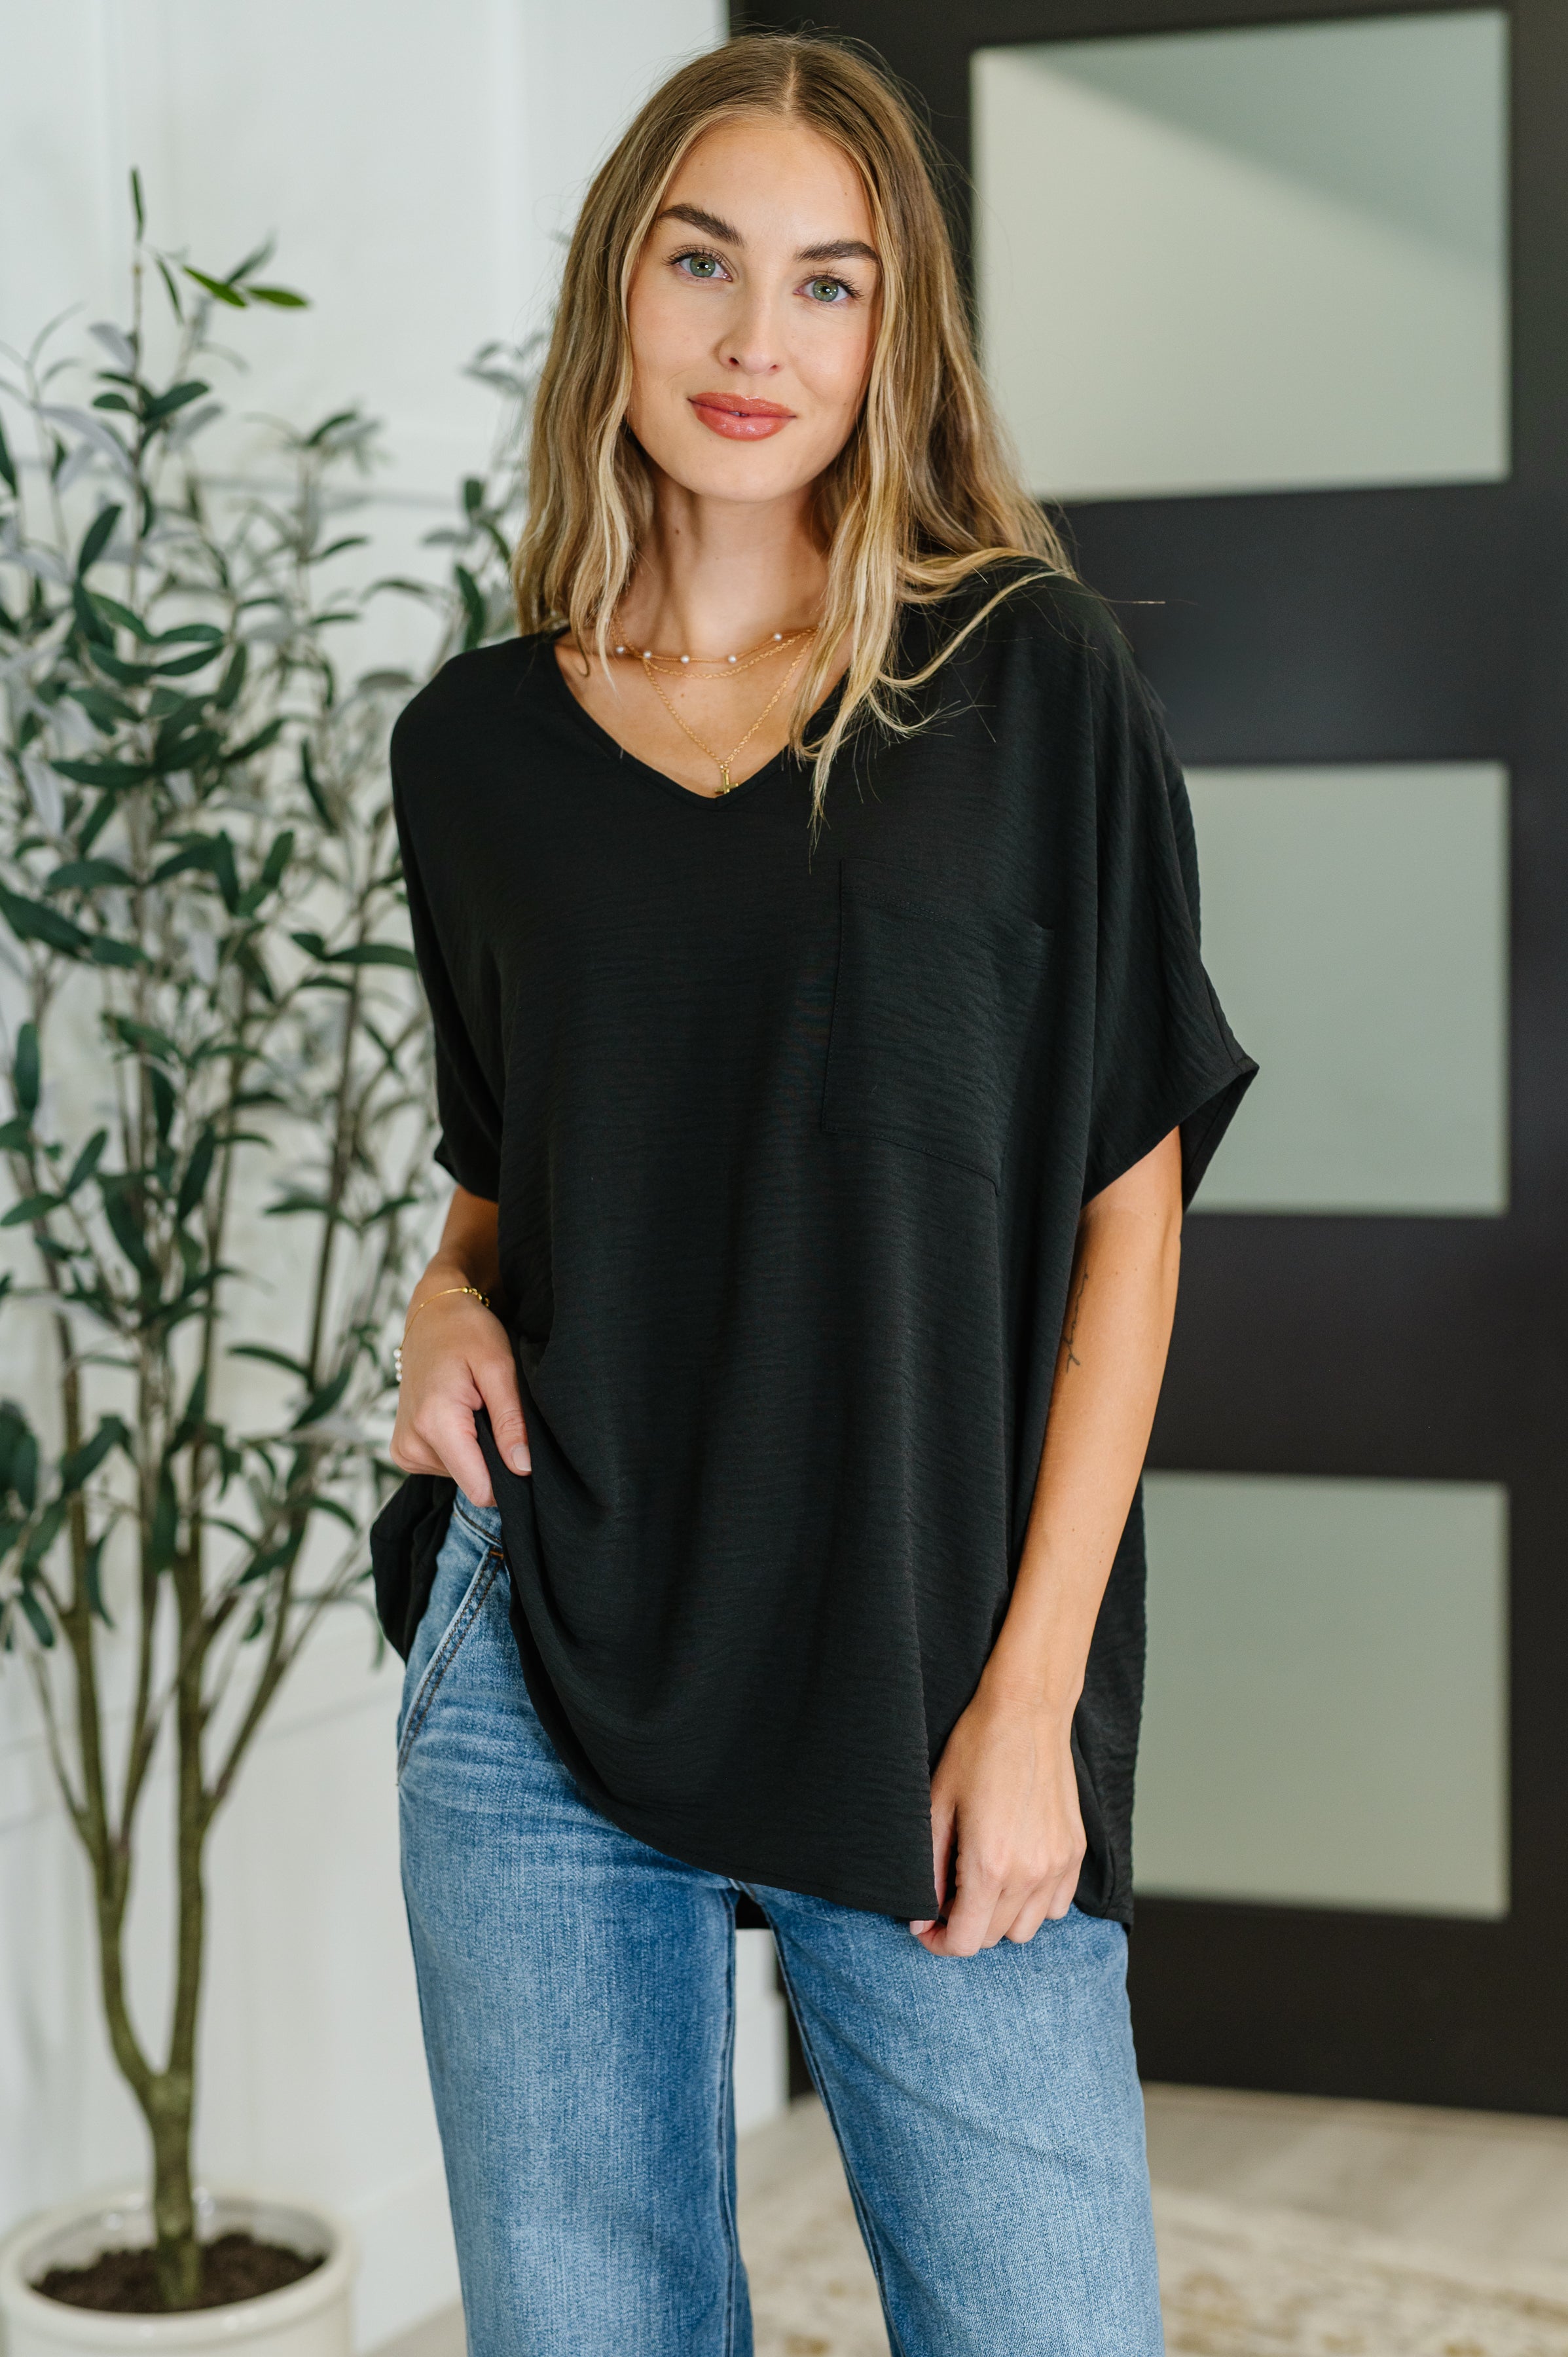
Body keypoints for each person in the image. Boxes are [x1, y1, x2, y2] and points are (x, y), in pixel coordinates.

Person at [378, 31, 1253, 2357]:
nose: (756, 342)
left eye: (827, 285)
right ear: (615, 296)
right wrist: (443, 1304)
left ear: (894, 338)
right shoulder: (468, 745)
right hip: (546, 1650)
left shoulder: (1025, 683)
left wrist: (1035, 1694)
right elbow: (513, 1174)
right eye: (702, 266)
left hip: (928, 1649)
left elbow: (1126, 1211)